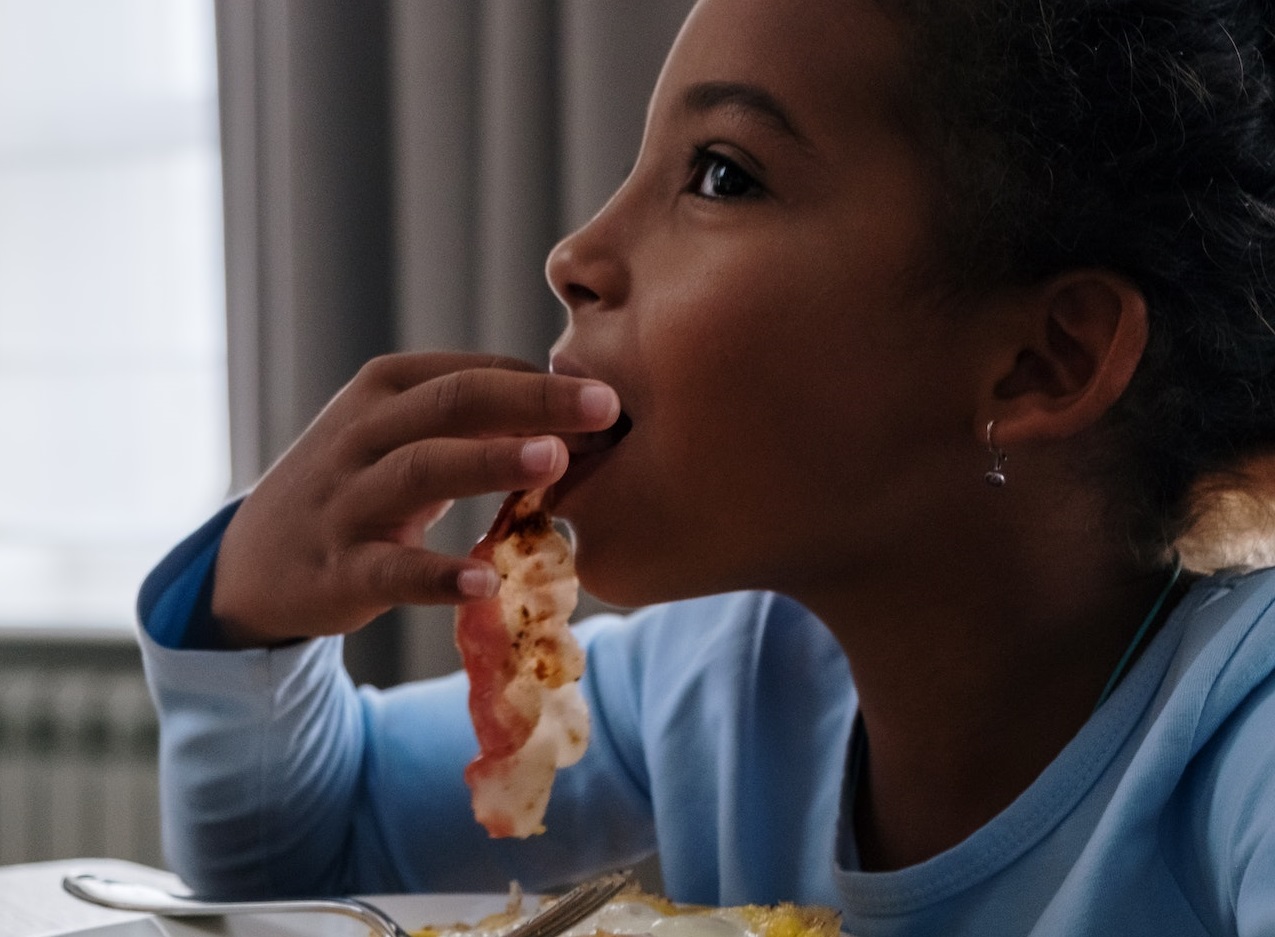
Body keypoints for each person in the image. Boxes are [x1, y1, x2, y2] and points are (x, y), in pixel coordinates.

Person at [138, 0, 1275, 933]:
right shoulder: (726, 684)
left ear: (1040, 360)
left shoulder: (1245, 732)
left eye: (722, 175)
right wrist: (251, 609)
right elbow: (308, 854)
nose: (573, 256)